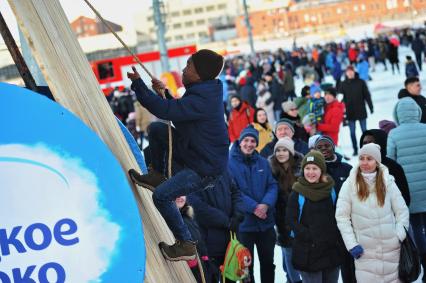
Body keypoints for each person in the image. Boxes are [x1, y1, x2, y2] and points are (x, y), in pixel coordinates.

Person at [127, 49, 229, 260]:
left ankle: (185, 243)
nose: (184, 68)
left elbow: (166, 111)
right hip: (194, 151)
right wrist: (164, 94)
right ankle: (157, 175)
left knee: (162, 196)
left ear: (199, 74)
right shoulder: (204, 92)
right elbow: (181, 112)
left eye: (189, 65)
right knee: (156, 130)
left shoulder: (202, 98)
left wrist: (139, 84)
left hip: (204, 168)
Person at [336, 143, 409, 282]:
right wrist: (352, 244)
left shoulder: (388, 182)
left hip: (391, 249)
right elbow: (342, 217)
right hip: (364, 252)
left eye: (369, 158)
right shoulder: (349, 184)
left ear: (377, 162)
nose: (364, 162)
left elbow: (402, 211)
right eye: (362, 158)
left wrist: (399, 235)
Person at [228, 126, 278, 283]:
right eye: (246, 140)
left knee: (268, 264)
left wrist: (266, 204)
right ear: (240, 141)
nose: (249, 144)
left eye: (253, 141)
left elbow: (272, 185)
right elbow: (232, 190)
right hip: (244, 225)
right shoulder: (229, 163)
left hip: (265, 223)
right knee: (246, 267)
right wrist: (254, 207)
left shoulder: (263, 162)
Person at [286, 151, 343, 283]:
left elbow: (339, 215)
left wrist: (335, 236)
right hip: (308, 252)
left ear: (322, 170)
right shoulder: (297, 192)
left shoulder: (331, 189)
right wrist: (307, 235)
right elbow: (291, 219)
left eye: (314, 168)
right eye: (307, 168)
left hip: (330, 251)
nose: (310, 172)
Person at [387, 97, 426, 281]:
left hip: (410, 190)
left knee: (416, 227)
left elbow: (390, 162)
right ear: (417, 112)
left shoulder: (394, 134)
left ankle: (425, 261)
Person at [188, 170, 244, 283]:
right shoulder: (191, 172)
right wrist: (226, 221)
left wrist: (238, 214)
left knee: (232, 278)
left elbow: (236, 192)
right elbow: (198, 206)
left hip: (231, 242)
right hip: (209, 243)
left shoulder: (224, 170)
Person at [313, 136, 355, 283]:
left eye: (327, 146)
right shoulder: (313, 171)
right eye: (320, 147)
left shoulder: (347, 168)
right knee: (331, 265)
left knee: (350, 263)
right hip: (325, 226)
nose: (324, 149)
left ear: (334, 147)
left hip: (347, 223)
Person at [269, 137, 303, 283]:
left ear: (291, 152)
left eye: (284, 150)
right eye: (278, 150)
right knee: (287, 257)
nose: (281, 153)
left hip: (300, 218)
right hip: (281, 220)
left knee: (300, 256)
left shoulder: (300, 168)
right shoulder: (271, 169)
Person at [360, 129, 410, 206]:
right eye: (364, 143)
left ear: (381, 143)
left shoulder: (393, 168)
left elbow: (404, 199)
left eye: (371, 142)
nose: (367, 146)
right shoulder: (358, 170)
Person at [338, 65, 374, 156]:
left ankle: (367, 148)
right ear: (346, 73)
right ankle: (355, 149)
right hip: (350, 112)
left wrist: (371, 106)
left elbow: (367, 95)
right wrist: (340, 110)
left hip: (361, 110)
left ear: (354, 72)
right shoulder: (343, 84)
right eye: (348, 72)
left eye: (351, 71)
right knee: (352, 132)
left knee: (364, 131)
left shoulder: (361, 82)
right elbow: (340, 98)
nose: (350, 73)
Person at [176, 196, 209, 282]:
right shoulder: (173, 220)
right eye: (176, 192)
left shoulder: (188, 217)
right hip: (185, 272)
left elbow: (200, 243)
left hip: (200, 269)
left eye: (182, 193)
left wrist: (206, 261)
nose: (180, 196)